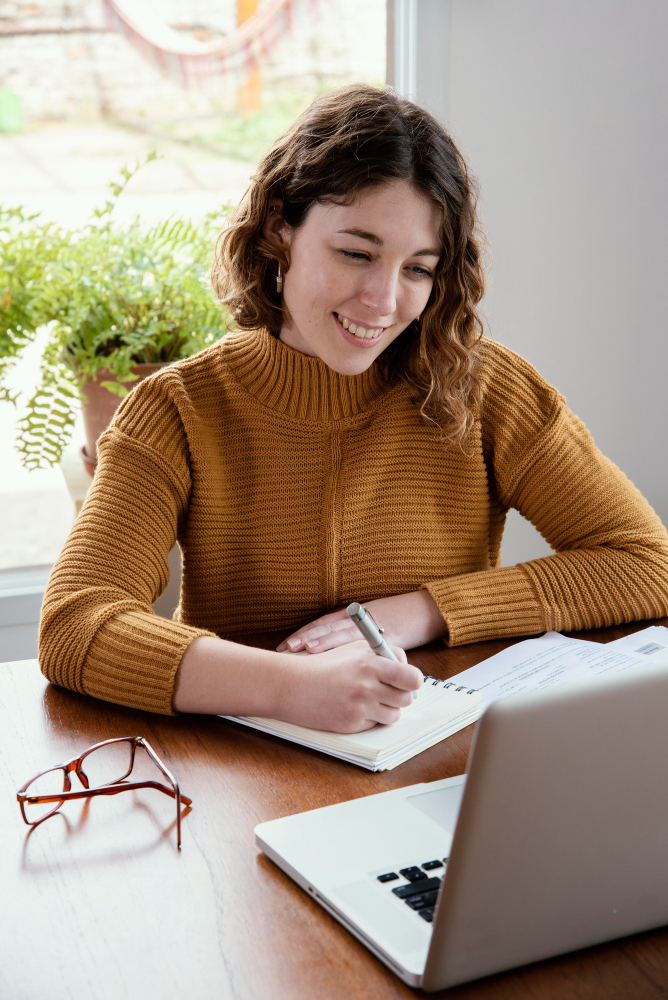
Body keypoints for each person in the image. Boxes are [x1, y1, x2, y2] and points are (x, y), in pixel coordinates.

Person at [39, 85, 668, 733]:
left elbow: (646, 562)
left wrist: (423, 610)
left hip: (438, 761)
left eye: (417, 269)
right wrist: (291, 687)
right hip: (244, 774)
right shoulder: (177, 410)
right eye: (357, 254)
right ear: (279, 226)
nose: (383, 300)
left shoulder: (485, 388)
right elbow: (75, 622)